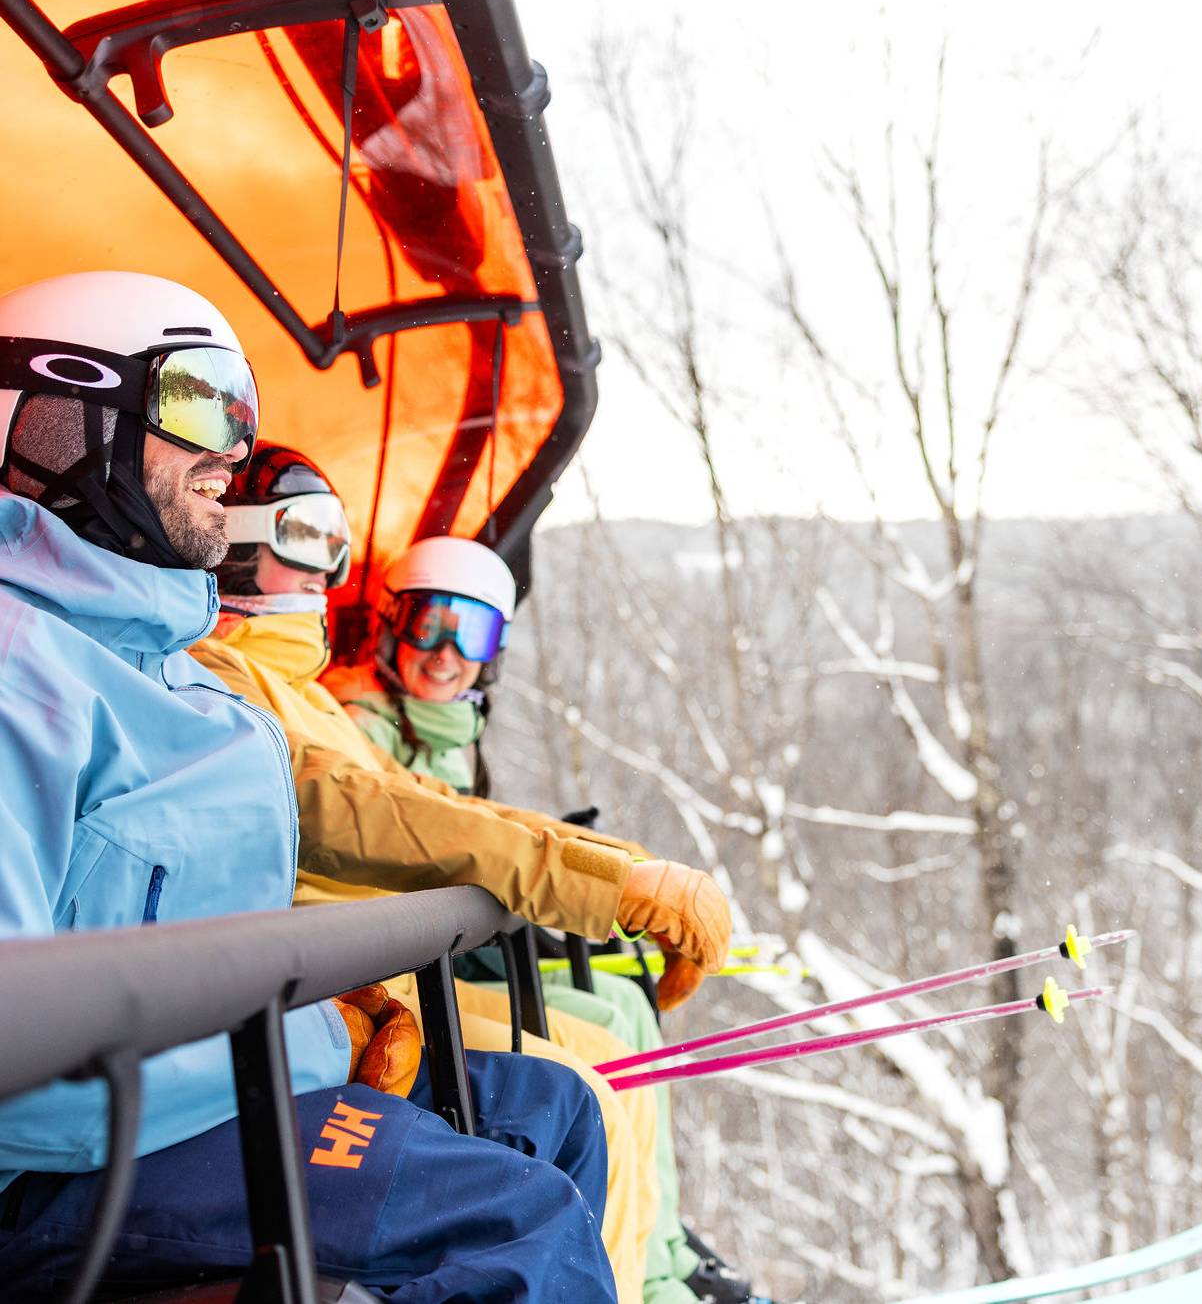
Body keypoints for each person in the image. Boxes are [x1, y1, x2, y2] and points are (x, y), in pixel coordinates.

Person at [0, 271, 618, 1302]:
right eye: (200, 398)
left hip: (236, 1072)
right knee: (518, 1228)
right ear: (61, 416)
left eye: (243, 408)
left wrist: (323, 1011)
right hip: (87, 1157)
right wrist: (298, 1030)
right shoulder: (27, 672)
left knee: (553, 1109)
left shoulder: (178, 673)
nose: (235, 447)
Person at [191, 443, 732, 1301]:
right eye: (303, 532)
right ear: (240, 541)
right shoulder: (225, 676)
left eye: (336, 539)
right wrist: (604, 883)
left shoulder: (301, 689)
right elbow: (363, 808)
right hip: (348, 990)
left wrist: (620, 870)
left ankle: (650, 1273)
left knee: (593, 1065)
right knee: (583, 1078)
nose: (325, 561)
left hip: (384, 975)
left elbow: (405, 800)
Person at [325, 536, 752, 1304]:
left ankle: (658, 1244)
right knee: (589, 1058)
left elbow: (472, 823)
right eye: (430, 623)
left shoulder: (449, 733)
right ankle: (642, 1272)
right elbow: (428, 832)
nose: (447, 651)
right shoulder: (360, 724)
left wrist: (598, 872)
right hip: (398, 966)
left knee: (621, 1004)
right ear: (393, 624)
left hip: (440, 949)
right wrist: (590, 881)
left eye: (473, 633)